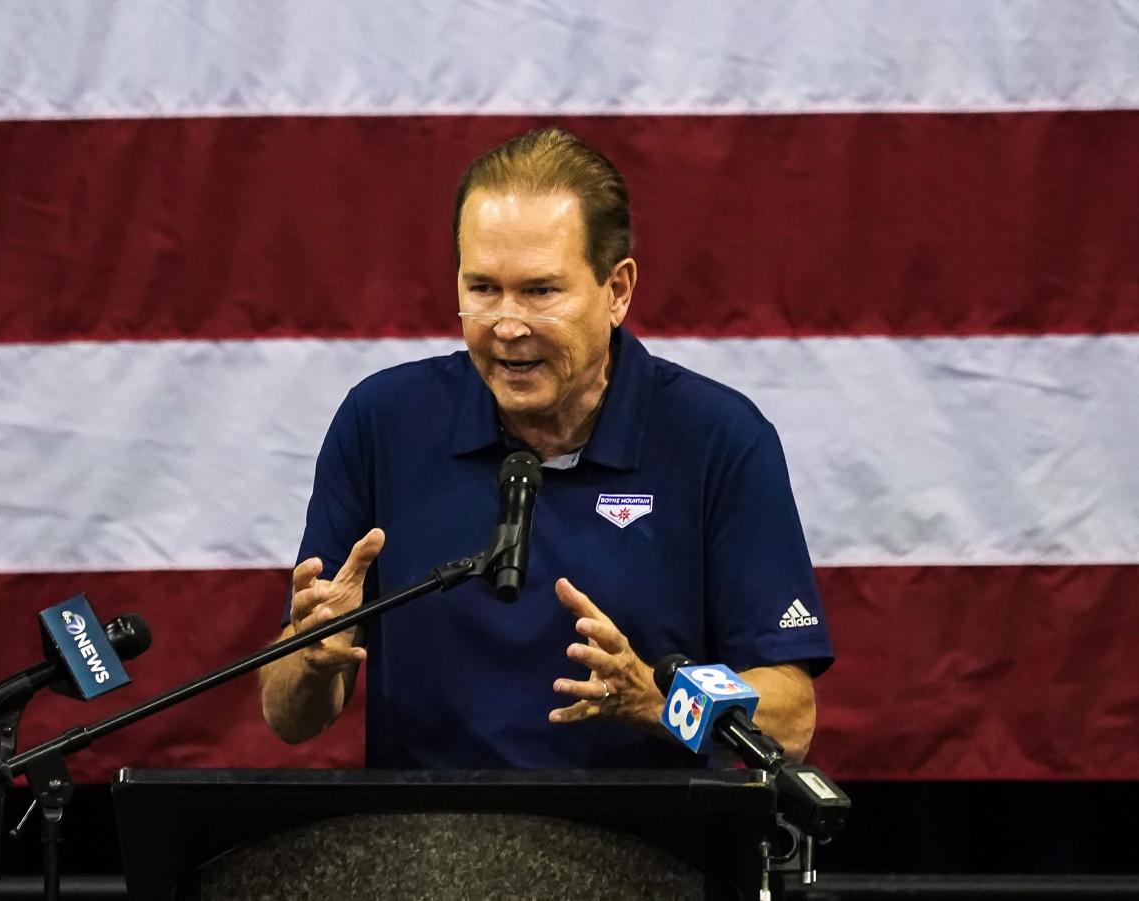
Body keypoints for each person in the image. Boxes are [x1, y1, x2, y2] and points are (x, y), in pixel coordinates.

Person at [259, 127, 833, 768]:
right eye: (482, 289)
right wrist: (310, 659)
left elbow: (791, 716)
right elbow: (288, 718)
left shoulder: (718, 438)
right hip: (424, 851)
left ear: (616, 291)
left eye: (540, 291)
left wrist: (654, 701)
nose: (507, 324)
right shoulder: (383, 422)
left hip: (642, 851)